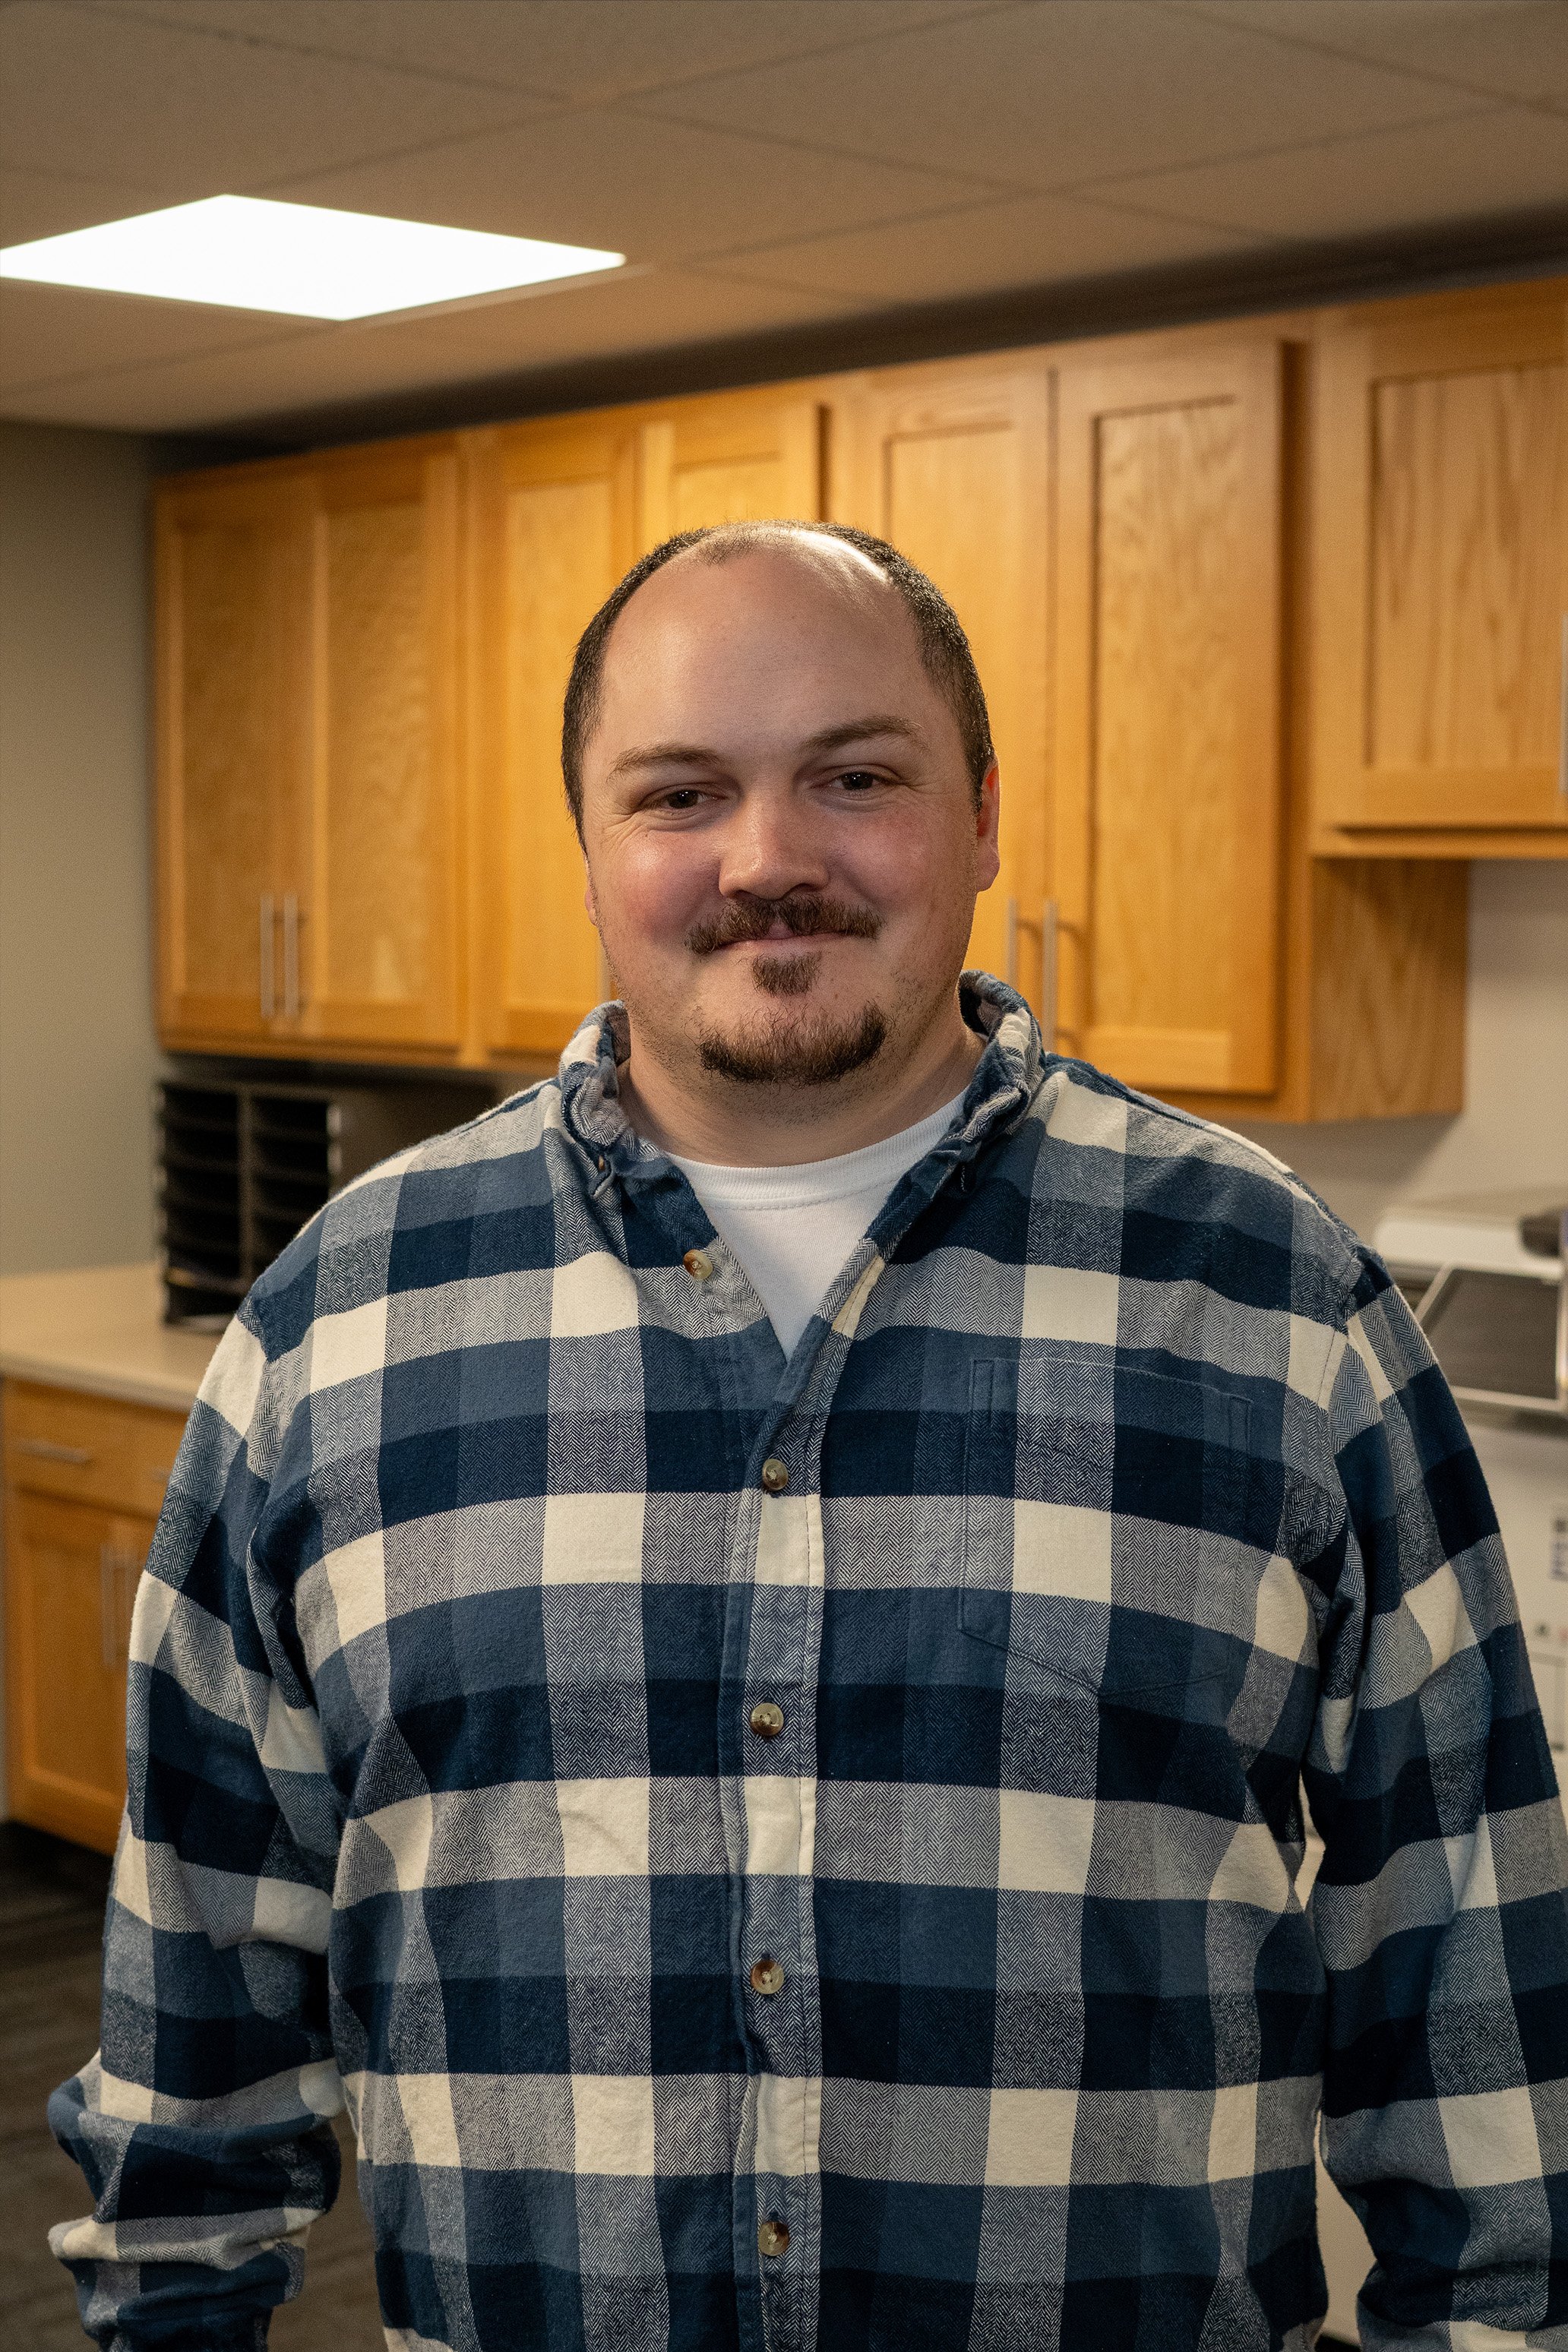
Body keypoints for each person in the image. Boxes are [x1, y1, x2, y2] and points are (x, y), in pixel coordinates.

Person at [52, 521, 1568, 2352]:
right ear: (595, 846)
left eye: (855, 777)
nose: (768, 861)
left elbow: (1478, 2033)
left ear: (984, 816)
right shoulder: (334, 1329)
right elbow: (196, 2015)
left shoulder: (1274, 1307)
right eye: (681, 792)